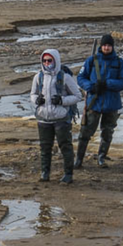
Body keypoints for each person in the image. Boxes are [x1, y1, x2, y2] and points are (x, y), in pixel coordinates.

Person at [76, 33, 123, 168]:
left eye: (109, 45)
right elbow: (81, 78)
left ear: (112, 47)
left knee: (107, 133)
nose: (106, 48)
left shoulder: (119, 63)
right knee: (85, 132)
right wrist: (91, 87)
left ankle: (101, 157)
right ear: (101, 46)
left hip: (111, 104)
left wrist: (108, 84)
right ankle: (78, 159)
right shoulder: (91, 60)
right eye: (104, 45)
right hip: (94, 103)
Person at [30, 49, 81, 184]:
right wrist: (36, 100)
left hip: (61, 118)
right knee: (45, 147)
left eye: (49, 60)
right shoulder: (38, 77)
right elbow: (32, 94)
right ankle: (45, 173)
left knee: (65, 146)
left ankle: (68, 174)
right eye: (44, 61)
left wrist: (62, 101)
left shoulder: (65, 77)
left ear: (56, 60)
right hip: (43, 118)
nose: (47, 63)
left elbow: (78, 96)